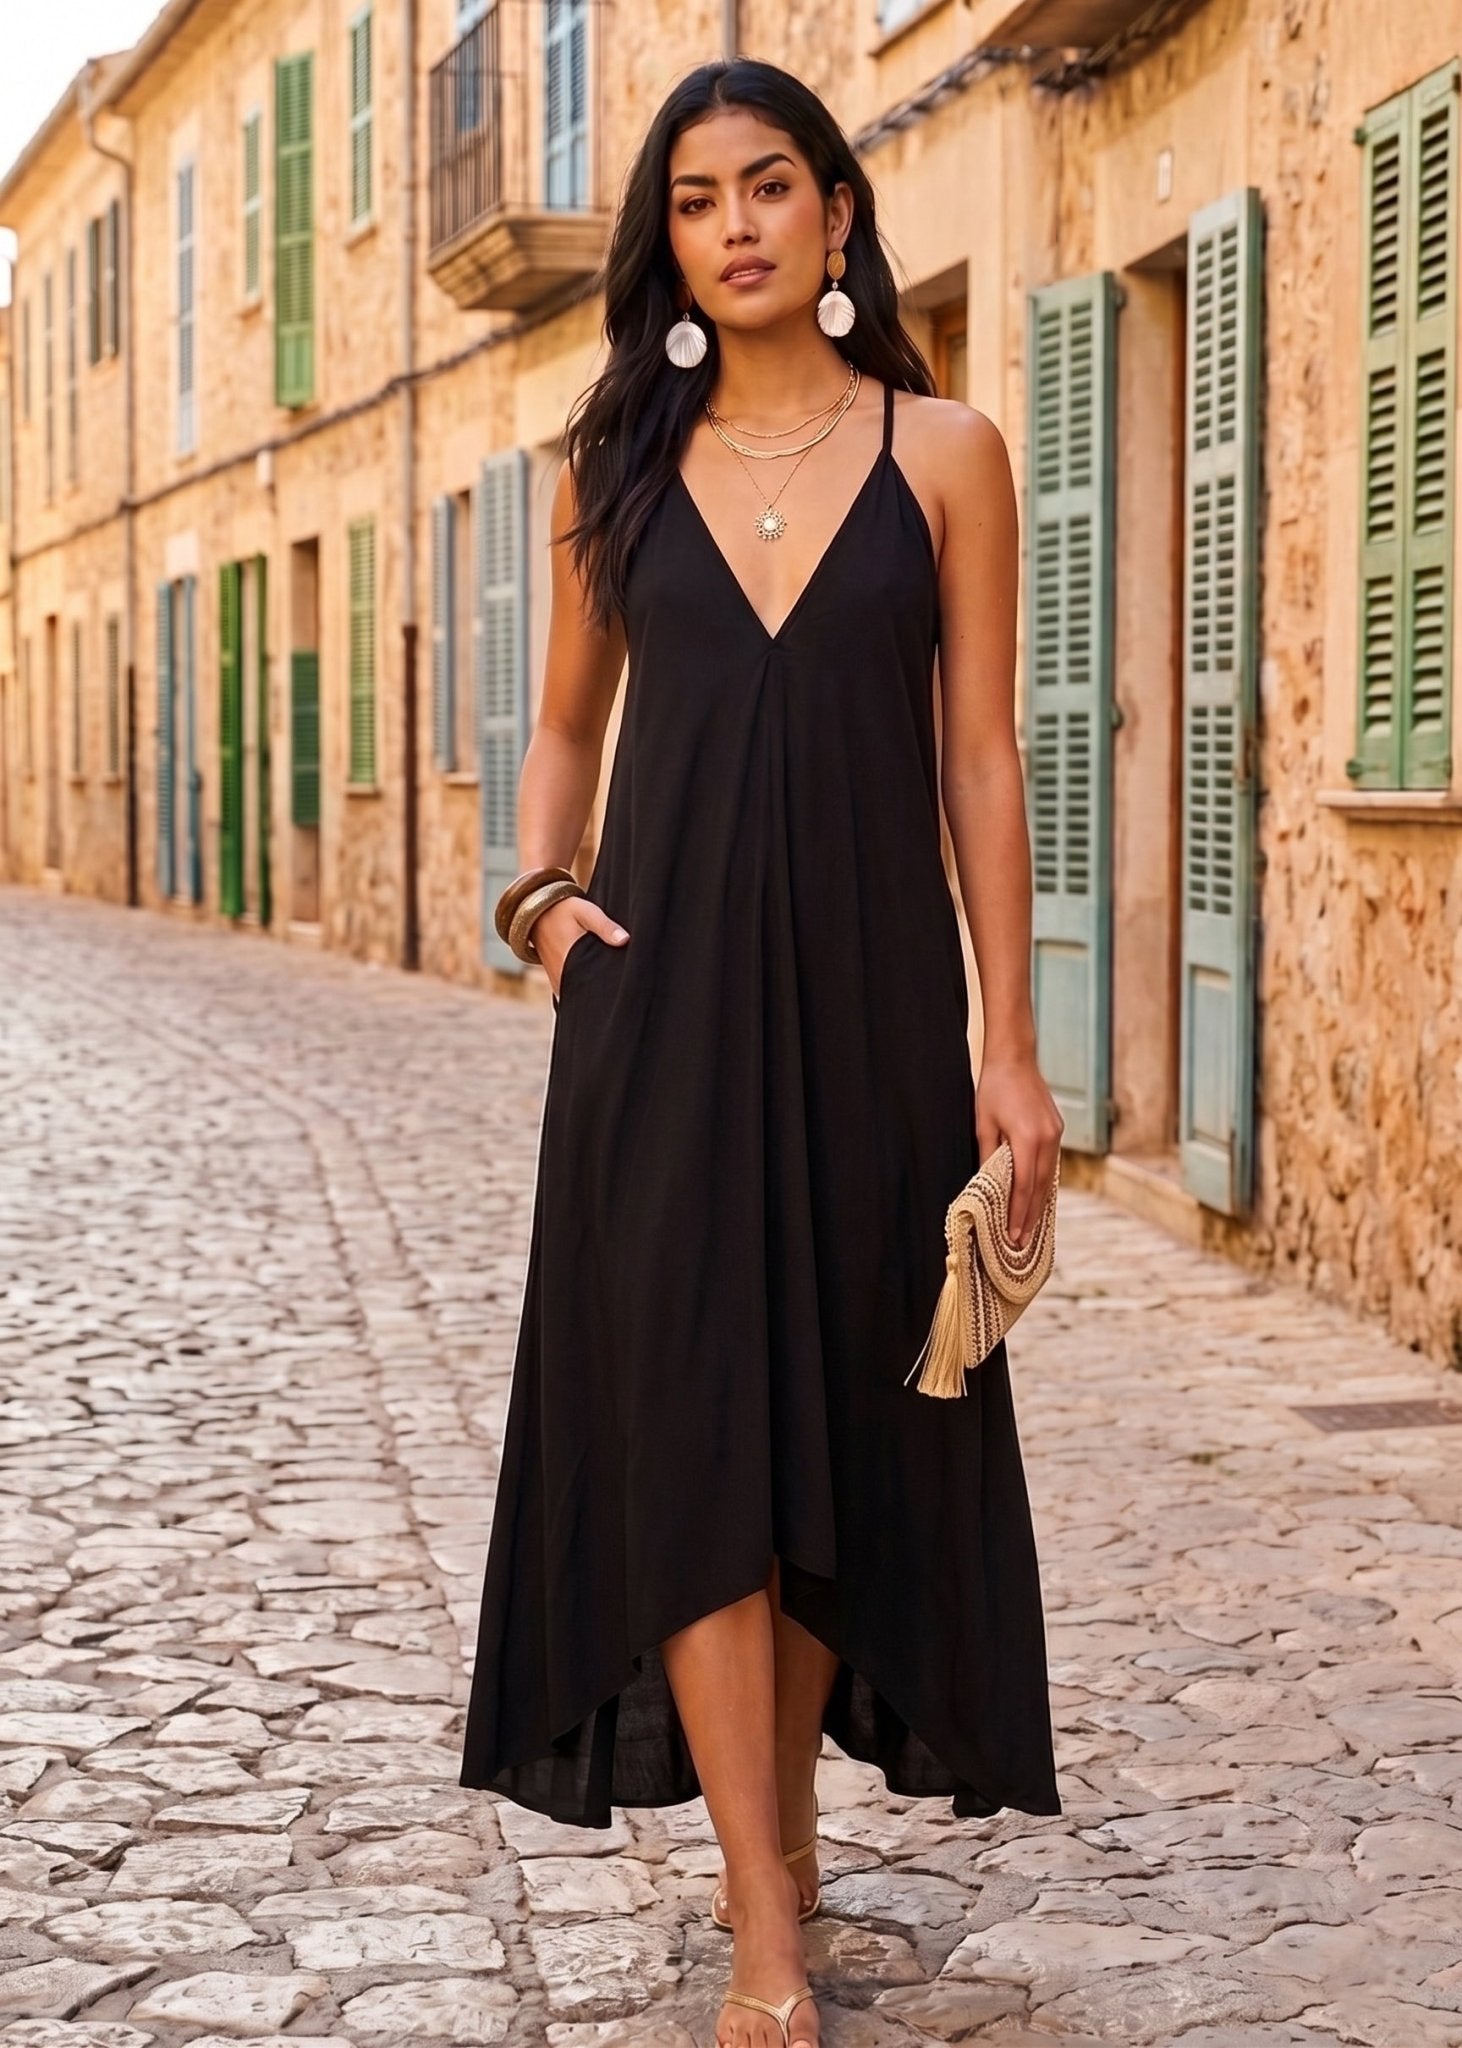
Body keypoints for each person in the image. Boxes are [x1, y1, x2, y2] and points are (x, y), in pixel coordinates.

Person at [460, 56, 1064, 2048]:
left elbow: (979, 758)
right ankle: (755, 1912)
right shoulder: (614, 465)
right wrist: (537, 902)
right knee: (700, 1440)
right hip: (662, 1016)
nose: (734, 223)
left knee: (830, 1445)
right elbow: (561, 726)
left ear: (830, 215)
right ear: (672, 237)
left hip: (881, 1017)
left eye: (770, 185)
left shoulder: (946, 453)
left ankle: (778, 1835)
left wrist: (1012, 1044)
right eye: (700, 195)